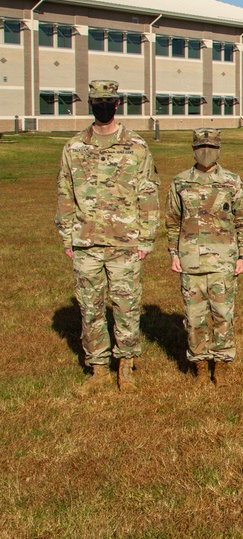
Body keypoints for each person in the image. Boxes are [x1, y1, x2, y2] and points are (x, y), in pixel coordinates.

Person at [55, 80, 160, 393]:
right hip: (85, 242)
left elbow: (149, 193)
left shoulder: (137, 146)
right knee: (90, 308)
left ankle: (126, 366)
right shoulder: (74, 147)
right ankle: (98, 368)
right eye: (97, 101)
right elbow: (64, 192)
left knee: (127, 306)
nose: (102, 105)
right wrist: (66, 237)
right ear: (90, 104)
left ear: (117, 103)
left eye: (107, 100)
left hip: (125, 242)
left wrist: (146, 239)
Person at [165, 129, 243, 387]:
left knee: (223, 315)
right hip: (190, 260)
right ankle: (200, 363)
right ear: (193, 148)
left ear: (219, 149)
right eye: (201, 146)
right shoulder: (180, 182)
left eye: (211, 146)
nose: (206, 151)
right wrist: (173, 253)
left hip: (223, 261)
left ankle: (222, 364)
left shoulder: (232, 181)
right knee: (194, 318)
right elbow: (172, 221)